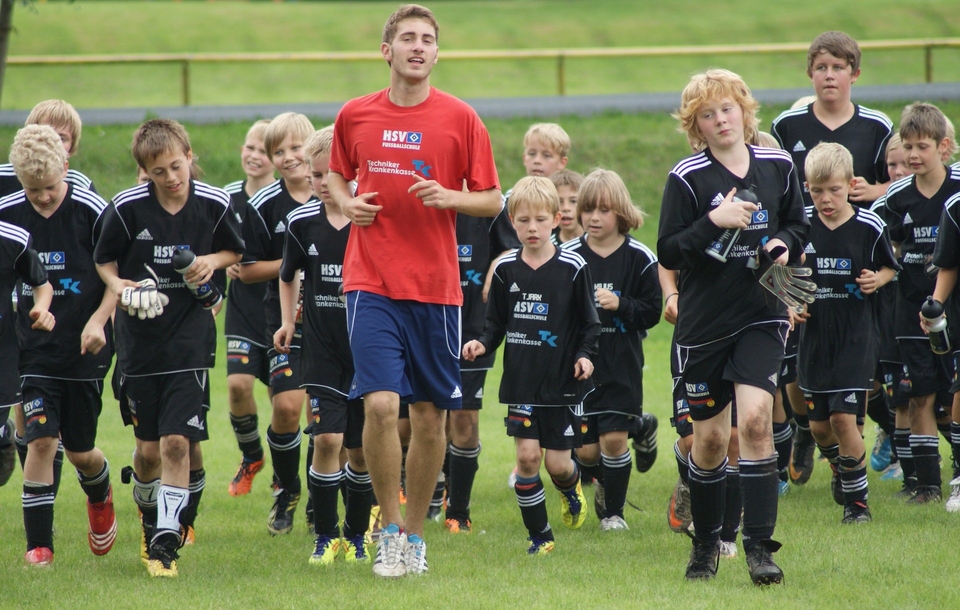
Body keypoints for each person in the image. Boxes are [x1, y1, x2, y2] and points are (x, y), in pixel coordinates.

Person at [326, 3, 502, 578]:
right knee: (379, 404)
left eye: (428, 39)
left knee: (429, 418)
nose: (418, 47)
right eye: (408, 38)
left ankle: (418, 536)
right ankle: (390, 528)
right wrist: (345, 202)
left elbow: (494, 199)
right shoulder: (355, 115)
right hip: (370, 280)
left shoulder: (461, 119)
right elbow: (334, 173)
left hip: (436, 289)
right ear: (388, 50)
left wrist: (451, 199)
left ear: (435, 52)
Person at [657, 69, 811, 585]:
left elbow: (798, 222)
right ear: (695, 125)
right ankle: (704, 545)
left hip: (762, 313)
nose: (721, 119)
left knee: (757, 423)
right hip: (703, 326)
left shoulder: (777, 164)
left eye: (728, 109)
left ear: (745, 110)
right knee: (709, 442)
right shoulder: (687, 176)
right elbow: (668, 249)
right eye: (708, 114)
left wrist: (784, 245)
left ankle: (760, 550)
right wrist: (713, 223)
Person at [94, 118, 244, 577]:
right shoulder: (126, 208)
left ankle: (164, 542)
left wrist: (208, 263)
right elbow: (103, 259)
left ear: (190, 156)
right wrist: (119, 285)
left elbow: (234, 252)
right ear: (145, 171)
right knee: (147, 453)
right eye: (158, 172)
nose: (171, 178)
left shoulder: (215, 203)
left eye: (176, 167)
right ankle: (149, 516)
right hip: (139, 346)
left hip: (190, 342)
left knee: (177, 443)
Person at [463, 175, 600, 553]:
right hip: (522, 382)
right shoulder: (506, 268)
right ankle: (540, 538)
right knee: (526, 458)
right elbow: (495, 325)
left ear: (556, 219)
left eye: (540, 220)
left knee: (558, 466)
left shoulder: (573, 267)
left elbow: (591, 324)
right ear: (510, 221)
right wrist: (480, 342)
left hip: (562, 384)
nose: (532, 228)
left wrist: (585, 356)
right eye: (523, 221)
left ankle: (571, 492)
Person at [0, 125, 115, 566]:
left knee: (82, 451)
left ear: (65, 167)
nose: (43, 197)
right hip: (30, 349)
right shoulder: (8, 212)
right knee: (42, 440)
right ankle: (39, 547)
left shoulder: (92, 210)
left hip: (85, 343)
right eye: (33, 189)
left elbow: (114, 276)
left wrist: (99, 322)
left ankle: (100, 493)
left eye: (49, 187)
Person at [273, 126, 375, 564]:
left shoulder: (369, 217)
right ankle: (326, 535)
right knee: (327, 439)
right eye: (314, 175)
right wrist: (286, 323)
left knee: (361, 448)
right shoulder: (301, 222)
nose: (320, 183)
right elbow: (287, 275)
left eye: (329, 174)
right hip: (322, 348)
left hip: (368, 347)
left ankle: (356, 533)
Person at [797, 142, 899, 523]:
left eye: (834, 190)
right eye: (816, 190)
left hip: (857, 338)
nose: (825, 199)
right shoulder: (801, 224)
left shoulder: (869, 225)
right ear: (807, 187)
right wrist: (792, 303)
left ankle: (857, 506)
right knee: (820, 428)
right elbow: (779, 274)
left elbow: (890, 267)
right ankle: (843, 469)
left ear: (851, 184)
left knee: (843, 420)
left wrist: (878, 278)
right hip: (815, 340)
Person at [4, 100, 94, 499]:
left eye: (61, 137)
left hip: (67, 325)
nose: (50, 141)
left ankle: (46, 486)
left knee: (55, 433)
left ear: (69, 150)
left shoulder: (85, 198)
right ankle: (40, 517)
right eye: (42, 132)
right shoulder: (8, 192)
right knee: (35, 423)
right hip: (17, 322)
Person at [563, 169, 661, 531]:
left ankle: (614, 514)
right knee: (587, 451)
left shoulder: (639, 257)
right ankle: (606, 477)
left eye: (603, 210)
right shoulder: (568, 255)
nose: (593, 217)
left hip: (622, 361)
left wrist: (621, 304)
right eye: (587, 209)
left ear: (620, 212)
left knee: (614, 439)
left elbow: (652, 312)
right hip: (580, 366)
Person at [237, 112, 316, 535]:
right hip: (284, 320)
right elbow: (247, 269)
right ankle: (286, 490)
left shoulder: (337, 193)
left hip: (335, 319)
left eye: (295, 148)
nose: (288, 158)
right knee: (286, 407)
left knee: (324, 419)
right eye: (278, 152)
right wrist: (294, 266)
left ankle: (318, 501)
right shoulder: (264, 205)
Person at [883, 102, 960, 504]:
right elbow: (882, 240)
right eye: (907, 146)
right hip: (910, 304)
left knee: (955, 393)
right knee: (919, 393)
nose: (912, 155)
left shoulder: (959, 187)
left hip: (953, 307)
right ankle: (926, 484)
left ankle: (957, 475)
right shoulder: (896, 196)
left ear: (943, 147)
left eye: (922, 147)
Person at [445, 174, 521, 534]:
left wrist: (493, 268)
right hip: (426, 323)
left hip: (473, 327)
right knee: (423, 417)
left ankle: (458, 510)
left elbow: (512, 249)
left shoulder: (489, 205)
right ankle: (429, 495)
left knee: (463, 420)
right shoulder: (424, 196)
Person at [770, 31, 893, 208]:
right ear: (810, 74)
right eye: (821, 67)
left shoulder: (877, 126)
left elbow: (904, 183)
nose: (829, 75)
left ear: (855, 74)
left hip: (859, 232)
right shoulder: (785, 125)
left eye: (838, 67)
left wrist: (874, 191)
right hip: (802, 232)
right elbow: (770, 185)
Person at [224, 119, 275, 497]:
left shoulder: (284, 200)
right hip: (241, 311)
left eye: (264, 150)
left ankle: (283, 473)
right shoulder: (225, 198)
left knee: (285, 404)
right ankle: (251, 455)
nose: (254, 156)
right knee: (238, 386)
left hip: (278, 313)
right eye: (250, 147)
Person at [869, 134, 911, 483]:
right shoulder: (876, 213)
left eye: (903, 163)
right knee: (891, 388)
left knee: (924, 393)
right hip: (885, 311)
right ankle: (897, 447)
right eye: (891, 165)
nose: (896, 171)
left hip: (919, 310)